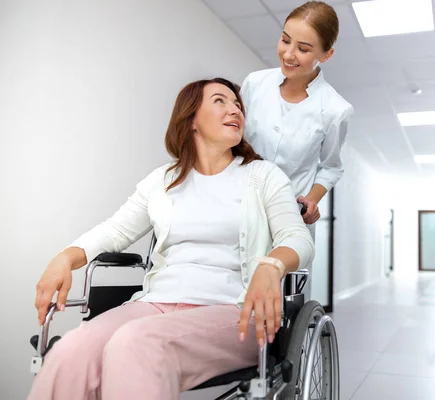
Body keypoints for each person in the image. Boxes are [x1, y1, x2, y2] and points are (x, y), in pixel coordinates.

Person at [28, 78, 314, 400]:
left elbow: (296, 237)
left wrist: (272, 265)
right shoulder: (161, 181)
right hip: (155, 306)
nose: (235, 109)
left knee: (137, 342)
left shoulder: (262, 175)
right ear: (191, 118)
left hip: (232, 312)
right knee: (70, 353)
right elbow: (116, 230)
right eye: (221, 101)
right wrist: (65, 257)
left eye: (237, 105)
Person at [241, 1, 353, 298]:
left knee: (278, 310)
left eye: (303, 49)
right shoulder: (255, 84)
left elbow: (331, 166)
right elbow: (235, 142)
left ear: (326, 55)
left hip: (288, 217)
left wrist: (311, 201)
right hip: (240, 206)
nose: (289, 54)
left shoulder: (334, 109)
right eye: (285, 40)